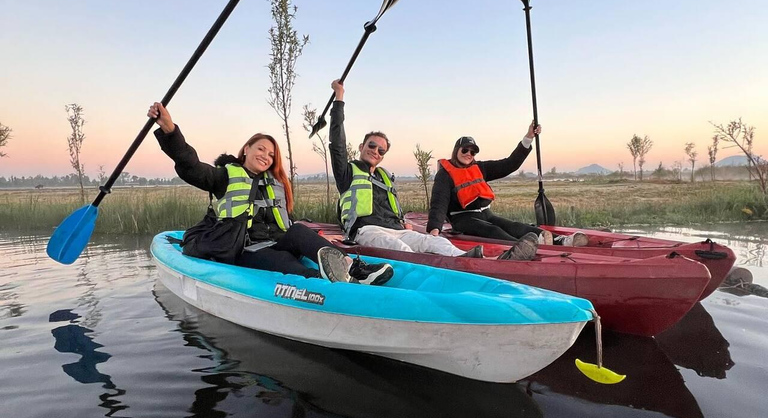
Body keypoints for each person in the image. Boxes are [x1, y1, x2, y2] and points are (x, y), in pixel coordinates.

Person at [147, 102, 393, 285]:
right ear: (246, 149)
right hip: (246, 250)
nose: (266, 155)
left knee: (298, 230)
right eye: (261, 149)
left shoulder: (275, 182)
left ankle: (352, 267)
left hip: (278, 241)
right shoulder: (224, 176)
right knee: (287, 265)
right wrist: (170, 131)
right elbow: (191, 166)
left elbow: (285, 224)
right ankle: (331, 284)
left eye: (271, 154)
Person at [329, 80, 534, 259]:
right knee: (399, 248)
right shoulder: (347, 173)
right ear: (361, 147)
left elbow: (509, 164)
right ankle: (429, 271)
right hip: (367, 231)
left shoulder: (384, 177)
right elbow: (338, 144)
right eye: (372, 146)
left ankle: (469, 261)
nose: (376, 151)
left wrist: (405, 224)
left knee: (436, 243)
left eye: (381, 150)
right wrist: (339, 98)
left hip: (396, 229)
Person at [427, 128, 588, 254]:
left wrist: (528, 137)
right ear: (456, 150)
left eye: (473, 151)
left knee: (515, 226)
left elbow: (509, 164)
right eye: (465, 150)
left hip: (486, 214)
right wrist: (434, 230)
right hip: (463, 219)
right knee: (493, 230)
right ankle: (522, 249)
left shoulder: (479, 168)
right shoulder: (445, 175)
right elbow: (438, 204)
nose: (469, 154)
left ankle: (560, 240)